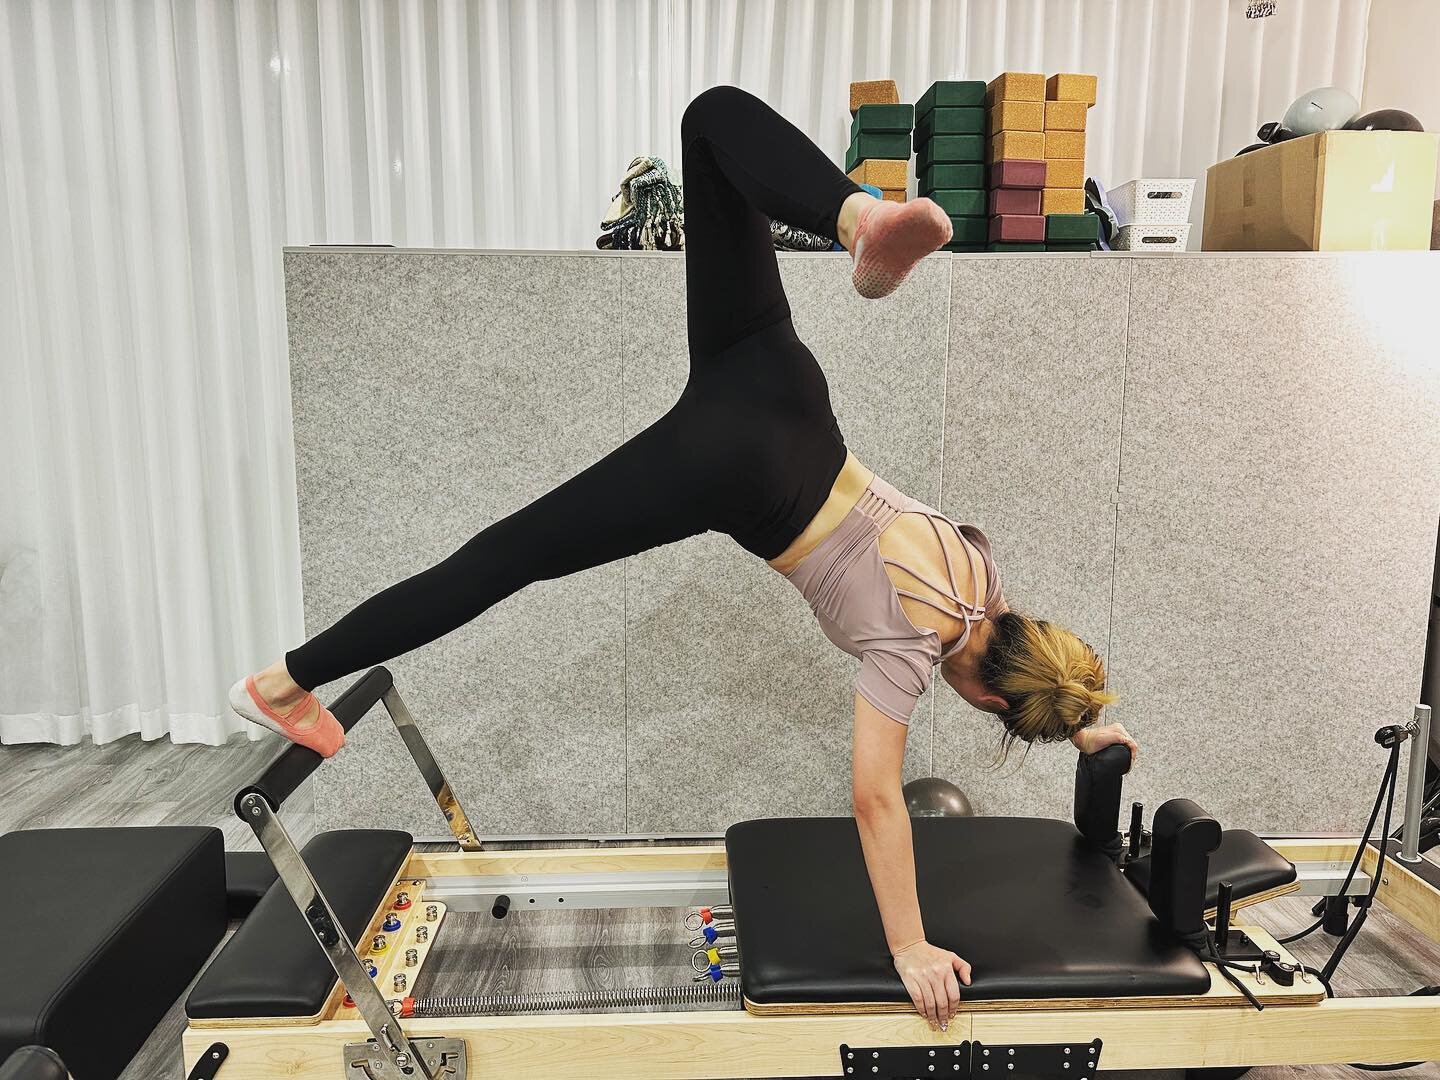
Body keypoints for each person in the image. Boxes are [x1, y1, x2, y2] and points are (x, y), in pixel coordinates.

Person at [230, 85, 1137, 1030]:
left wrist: (1085, 724)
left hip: (780, 384)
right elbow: (877, 800)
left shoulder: (980, 572)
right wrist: (908, 946)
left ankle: (858, 218)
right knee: (500, 560)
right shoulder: (911, 651)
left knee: (709, 122)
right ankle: (287, 680)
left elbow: (1030, 658)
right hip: (741, 473)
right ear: (989, 697)